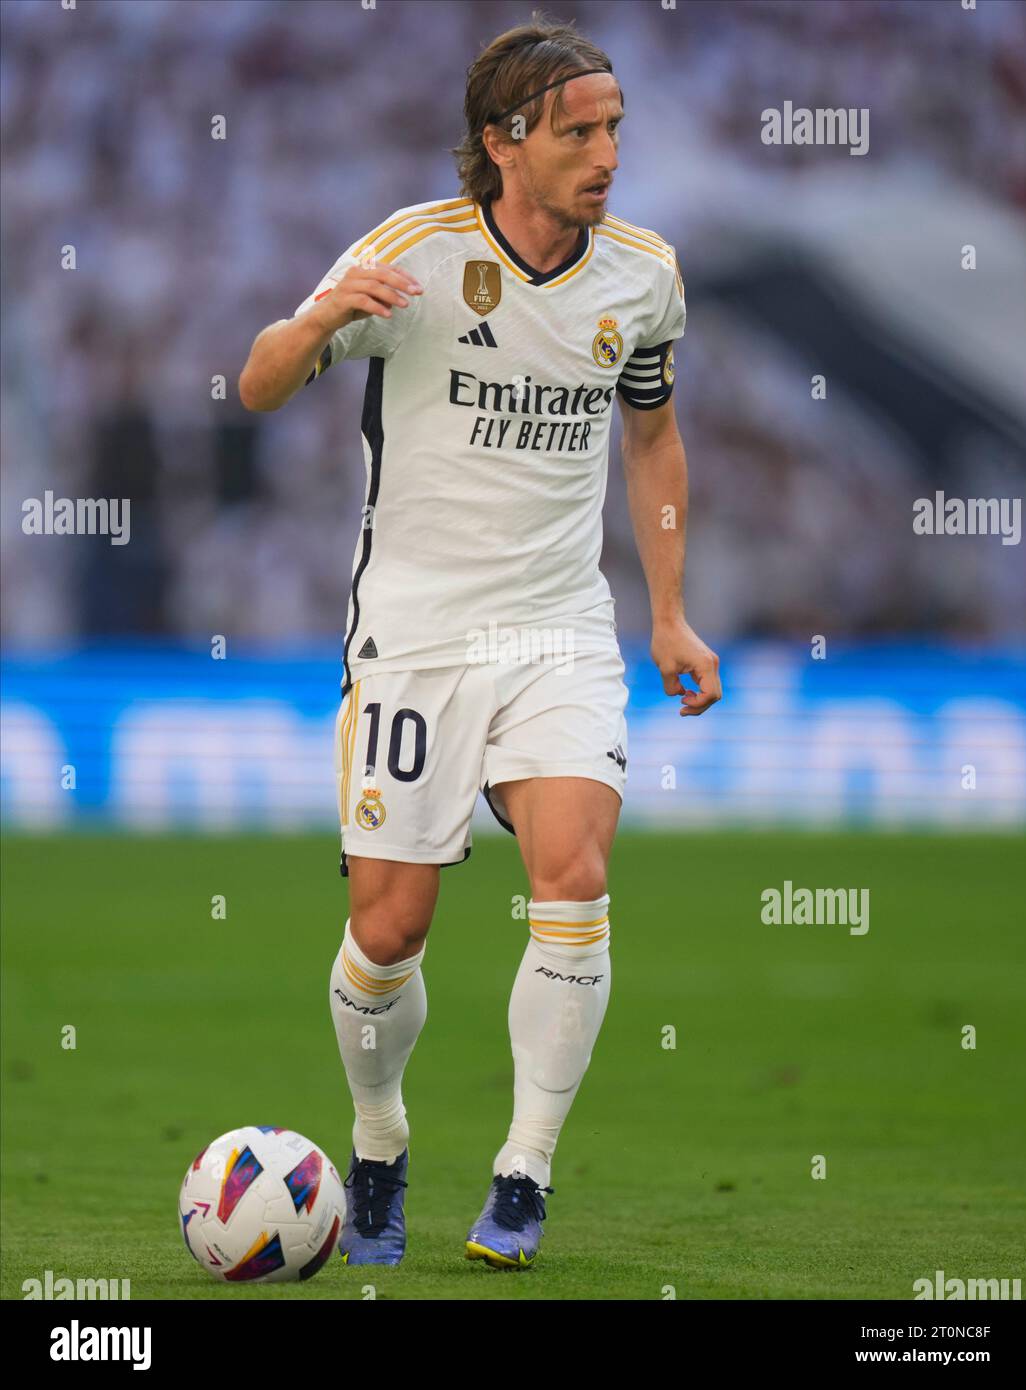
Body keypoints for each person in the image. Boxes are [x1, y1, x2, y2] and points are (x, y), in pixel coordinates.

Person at [238, 12, 721, 1271]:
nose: (606, 151)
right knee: (389, 929)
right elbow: (258, 381)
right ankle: (380, 1136)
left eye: (614, 125)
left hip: (561, 630)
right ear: (506, 142)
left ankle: (523, 1172)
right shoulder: (413, 254)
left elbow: (654, 435)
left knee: (572, 871)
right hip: (414, 638)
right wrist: (316, 320)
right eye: (579, 130)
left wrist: (666, 608)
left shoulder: (642, 277)